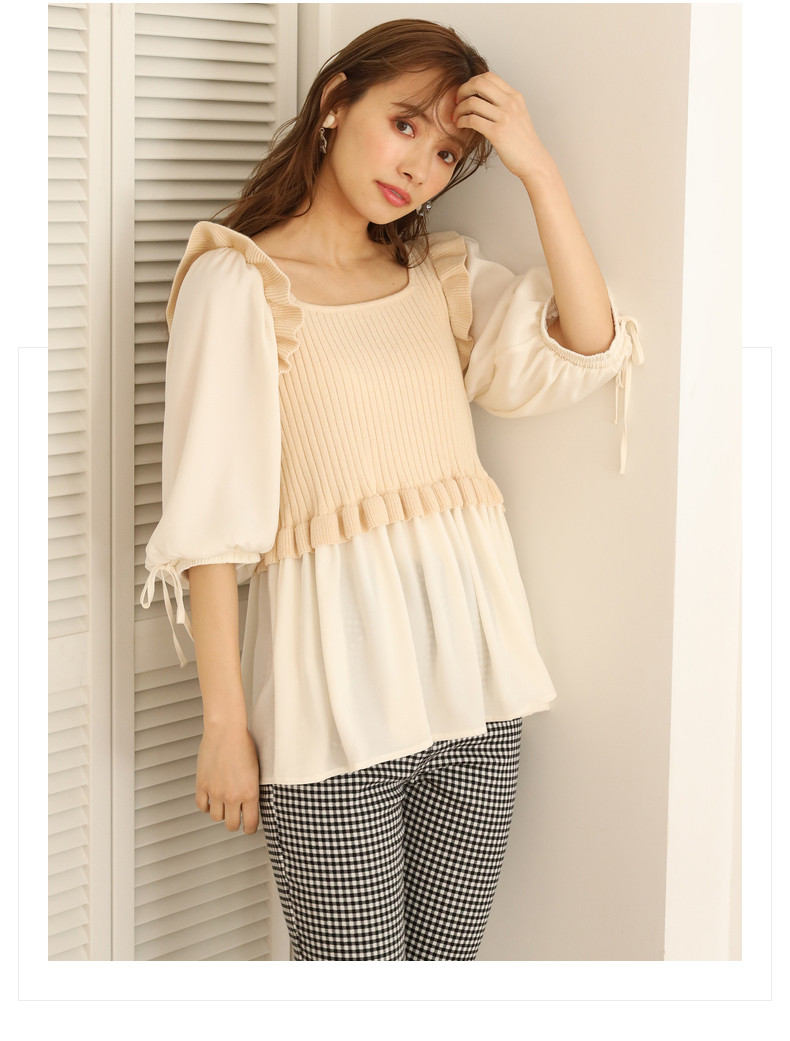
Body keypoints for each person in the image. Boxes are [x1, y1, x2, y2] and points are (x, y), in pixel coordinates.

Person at [139, 18, 643, 961]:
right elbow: (210, 524)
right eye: (406, 124)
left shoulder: (434, 279)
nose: (420, 166)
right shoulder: (239, 282)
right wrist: (224, 726)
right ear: (337, 104)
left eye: (447, 152)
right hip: (329, 713)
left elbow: (587, 339)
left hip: (477, 694)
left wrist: (539, 172)